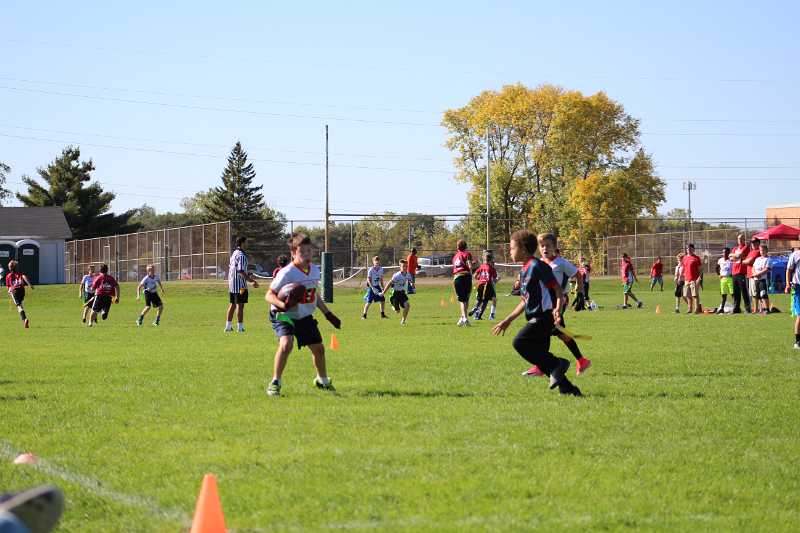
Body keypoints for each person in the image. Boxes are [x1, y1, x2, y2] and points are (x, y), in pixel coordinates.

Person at [492, 230, 581, 397]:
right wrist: (508, 320)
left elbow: (557, 289)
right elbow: (524, 300)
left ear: (523, 249)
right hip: (535, 317)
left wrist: (557, 308)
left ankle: (559, 362)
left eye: (512, 248)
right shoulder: (524, 271)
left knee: (520, 342)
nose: (510, 252)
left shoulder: (538, 266)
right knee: (542, 359)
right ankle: (569, 389)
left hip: (544, 317)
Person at [265, 233, 341, 397]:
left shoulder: (314, 270)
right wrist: (283, 305)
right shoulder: (287, 273)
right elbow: (269, 295)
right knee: (286, 344)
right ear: (293, 253)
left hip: (303, 315)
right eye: (302, 252)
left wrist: (328, 314)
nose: (307, 255)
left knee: (319, 349)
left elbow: (314, 294)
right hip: (283, 315)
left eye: (309, 251)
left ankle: (322, 380)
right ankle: (275, 382)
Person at [523, 233, 591, 378]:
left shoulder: (561, 263)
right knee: (558, 332)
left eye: (548, 245)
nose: (545, 248)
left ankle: (541, 366)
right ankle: (581, 360)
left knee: (545, 330)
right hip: (544, 303)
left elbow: (578, 275)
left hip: (558, 301)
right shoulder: (539, 263)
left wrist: (580, 292)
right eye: (542, 246)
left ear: (554, 247)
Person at [225, 236, 259, 333]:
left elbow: (235, 269)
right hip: (240, 285)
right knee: (240, 305)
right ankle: (240, 328)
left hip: (232, 284)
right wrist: (251, 281)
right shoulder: (242, 256)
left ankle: (228, 327)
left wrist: (247, 274)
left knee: (232, 304)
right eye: (246, 242)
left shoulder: (234, 253)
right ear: (242, 243)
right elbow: (240, 271)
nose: (247, 244)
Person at [384, 259, 413, 325]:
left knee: (407, 305)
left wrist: (412, 284)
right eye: (403, 266)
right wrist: (383, 292)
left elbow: (410, 280)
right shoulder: (396, 275)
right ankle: (392, 305)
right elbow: (389, 283)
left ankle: (403, 321)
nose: (405, 268)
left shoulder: (408, 274)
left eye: (406, 266)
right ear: (400, 267)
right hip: (395, 293)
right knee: (397, 311)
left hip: (402, 293)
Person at [452, 239, 474, 326]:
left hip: (457, 277)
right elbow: (470, 266)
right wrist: (471, 274)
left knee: (462, 300)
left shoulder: (455, 256)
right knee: (466, 299)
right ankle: (464, 318)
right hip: (466, 277)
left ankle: (463, 318)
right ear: (466, 246)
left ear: (457, 247)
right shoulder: (467, 254)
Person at [471, 252, 499, 320]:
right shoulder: (491, 268)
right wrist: (497, 279)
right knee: (486, 301)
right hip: (488, 285)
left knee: (479, 300)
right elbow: (494, 278)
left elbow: (474, 275)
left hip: (480, 284)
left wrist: (480, 279)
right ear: (491, 260)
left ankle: (476, 308)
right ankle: (481, 316)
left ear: (484, 259)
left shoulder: (481, 266)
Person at [5, 261, 32, 329]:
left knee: (19, 306)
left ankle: (25, 319)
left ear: (10, 268)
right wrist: (29, 284)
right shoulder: (19, 273)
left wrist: (9, 291)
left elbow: (8, 287)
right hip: (22, 290)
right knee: (20, 305)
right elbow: (24, 276)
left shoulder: (8, 276)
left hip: (15, 291)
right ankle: (25, 323)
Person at [730, 234, 753, 314]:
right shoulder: (735, 248)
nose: (739, 240)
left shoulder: (746, 247)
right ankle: (736, 308)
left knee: (744, 291)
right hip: (734, 272)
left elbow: (739, 255)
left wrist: (734, 256)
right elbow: (730, 257)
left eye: (741, 238)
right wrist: (734, 256)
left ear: (744, 239)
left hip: (742, 272)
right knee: (736, 292)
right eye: (738, 238)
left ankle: (748, 308)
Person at [741, 237, 762, 313]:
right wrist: (746, 261)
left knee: (756, 293)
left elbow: (749, 261)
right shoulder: (751, 252)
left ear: (758, 243)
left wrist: (746, 261)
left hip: (755, 275)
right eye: (752, 243)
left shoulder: (758, 251)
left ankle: (760, 309)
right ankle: (756, 309)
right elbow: (744, 261)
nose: (753, 244)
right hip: (749, 274)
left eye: (754, 242)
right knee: (753, 293)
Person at [681, 244, 703, 314]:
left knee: (695, 295)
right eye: (687, 249)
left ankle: (696, 309)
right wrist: (681, 276)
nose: (688, 250)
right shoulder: (684, 258)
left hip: (694, 279)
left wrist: (699, 278)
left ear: (693, 249)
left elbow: (700, 270)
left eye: (690, 248)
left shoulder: (696, 258)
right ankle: (689, 309)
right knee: (687, 295)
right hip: (687, 280)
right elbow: (684, 268)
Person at [785, 247, 800, 349]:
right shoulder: (795, 254)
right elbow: (789, 270)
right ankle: (797, 341)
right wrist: (787, 284)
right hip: (798, 286)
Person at [752, 244, 772, 314]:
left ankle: (767, 309)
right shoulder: (757, 259)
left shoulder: (768, 259)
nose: (762, 252)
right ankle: (756, 309)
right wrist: (754, 273)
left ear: (767, 251)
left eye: (763, 250)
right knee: (756, 295)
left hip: (763, 279)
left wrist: (759, 274)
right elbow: (753, 267)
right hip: (756, 279)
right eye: (761, 250)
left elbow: (767, 269)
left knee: (763, 294)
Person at [716, 248, 734, 314]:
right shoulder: (720, 260)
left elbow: (734, 268)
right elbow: (717, 268)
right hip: (723, 279)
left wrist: (732, 274)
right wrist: (718, 274)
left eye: (726, 252)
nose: (725, 254)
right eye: (723, 252)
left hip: (730, 278)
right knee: (723, 295)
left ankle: (735, 307)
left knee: (732, 294)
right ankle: (722, 308)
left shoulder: (731, 260)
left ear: (729, 253)